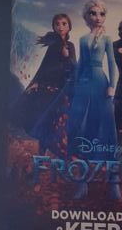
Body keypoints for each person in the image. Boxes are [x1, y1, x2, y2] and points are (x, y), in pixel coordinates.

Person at [66, 0, 119, 199]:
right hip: (83, 86)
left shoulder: (107, 40)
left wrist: (112, 86)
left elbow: (112, 64)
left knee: (107, 128)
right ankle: (82, 181)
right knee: (81, 128)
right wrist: (74, 86)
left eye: (101, 14)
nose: (97, 17)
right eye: (93, 13)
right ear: (87, 16)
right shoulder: (81, 39)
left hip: (101, 84)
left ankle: (113, 181)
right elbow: (80, 64)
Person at [12, 13, 76, 152]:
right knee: (45, 119)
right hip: (48, 88)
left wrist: (67, 57)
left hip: (62, 88)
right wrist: (36, 82)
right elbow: (45, 66)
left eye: (64, 23)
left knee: (58, 122)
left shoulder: (70, 46)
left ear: (69, 27)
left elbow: (73, 66)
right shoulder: (53, 45)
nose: (60, 27)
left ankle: (56, 151)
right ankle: (42, 151)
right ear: (53, 27)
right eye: (57, 24)